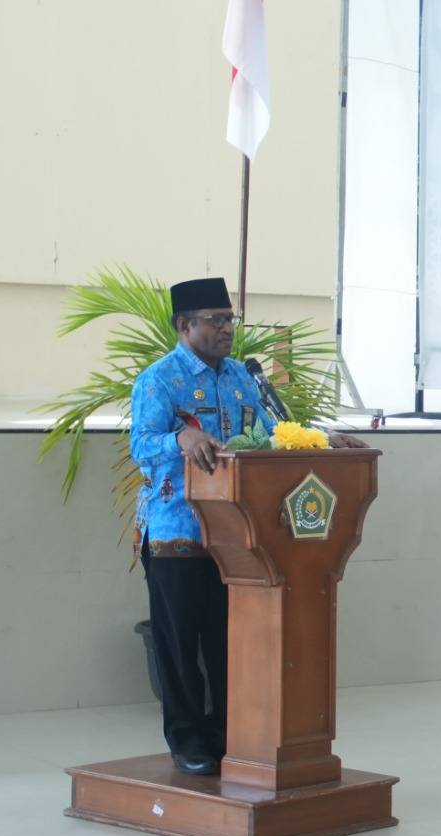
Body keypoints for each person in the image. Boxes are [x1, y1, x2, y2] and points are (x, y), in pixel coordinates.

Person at [130, 277, 366, 776]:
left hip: (238, 532)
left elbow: (274, 430)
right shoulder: (159, 380)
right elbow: (141, 446)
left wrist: (323, 439)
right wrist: (180, 439)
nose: (227, 329)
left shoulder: (241, 376)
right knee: (179, 644)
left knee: (227, 641)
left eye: (230, 319)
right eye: (215, 320)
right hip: (177, 531)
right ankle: (188, 741)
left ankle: (226, 735)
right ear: (184, 325)